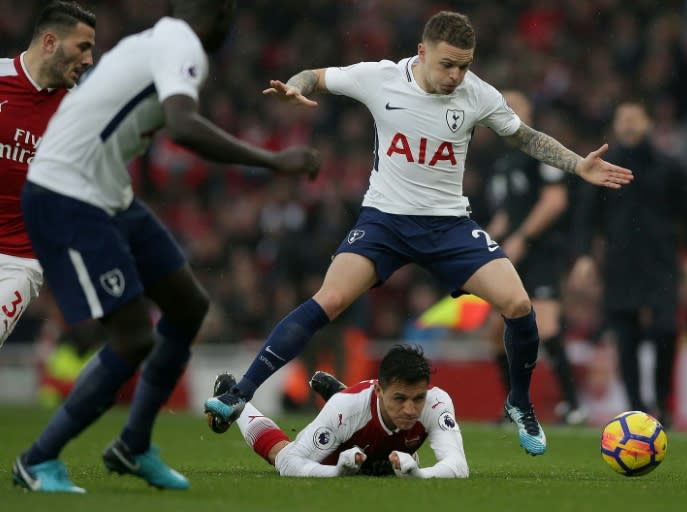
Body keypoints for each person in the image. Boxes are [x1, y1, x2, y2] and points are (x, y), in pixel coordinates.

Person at [205, 10, 633, 457]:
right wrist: (295, 86)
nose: (456, 75)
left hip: (448, 225)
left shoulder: (478, 94)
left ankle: (519, 403)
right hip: (384, 221)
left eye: (464, 65)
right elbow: (316, 75)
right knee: (328, 300)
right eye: (447, 64)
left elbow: (525, 137)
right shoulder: (380, 78)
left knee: (519, 304)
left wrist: (576, 163)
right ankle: (241, 392)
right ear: (422, 52)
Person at [13, 0, 320, 494]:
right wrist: (271, 161)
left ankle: (133, 445)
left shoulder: (156, 40)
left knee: (187, 304)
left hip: (109, 193)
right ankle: (37, 459)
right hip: (67, 194)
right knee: (133, 337)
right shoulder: (181, 43)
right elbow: (181, 125)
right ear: (215, 16)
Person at [570, 100, 687, 428]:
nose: (629, 124)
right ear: (615, 126)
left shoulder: (669, 166)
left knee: (666, 330)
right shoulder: (604, 166)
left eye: (635, 118)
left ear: (647, 123)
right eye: (623, 119)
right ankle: (637, 407)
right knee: (625, 338)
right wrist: (585, 256)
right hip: (620, 263)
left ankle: (663, 401)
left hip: (661, 262)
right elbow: (587, 218)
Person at [484, 91, 584, 425]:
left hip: (540, 251)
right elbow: (503, 216)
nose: (508, 111)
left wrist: (523, 238)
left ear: (529, 113)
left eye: (516, 106)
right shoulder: (501, 161)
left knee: (548, 324)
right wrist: (482, 242)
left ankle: (573, 405)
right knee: (495, 332)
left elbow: (554, 201)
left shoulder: (539, 150)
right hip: (511, 254)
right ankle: (515, 405)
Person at [0, 1, 95, 348]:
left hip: (18, 260)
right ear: (51, 43)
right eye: (83, 47)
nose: (88, 60)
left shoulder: (78, 112)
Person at [223, 345, 468, 478]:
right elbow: (289, 464)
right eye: (400, 398)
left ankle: (343, 400)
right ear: (379, 390)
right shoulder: (348, 409)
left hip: (377, 442)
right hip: (342, 446)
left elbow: (458, 466)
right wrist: (337, 472)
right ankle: (238, 405)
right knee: (281, 454)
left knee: (402, 462)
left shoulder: (436, 402)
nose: (410, 409)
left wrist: (418, 474)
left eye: (418, 398)